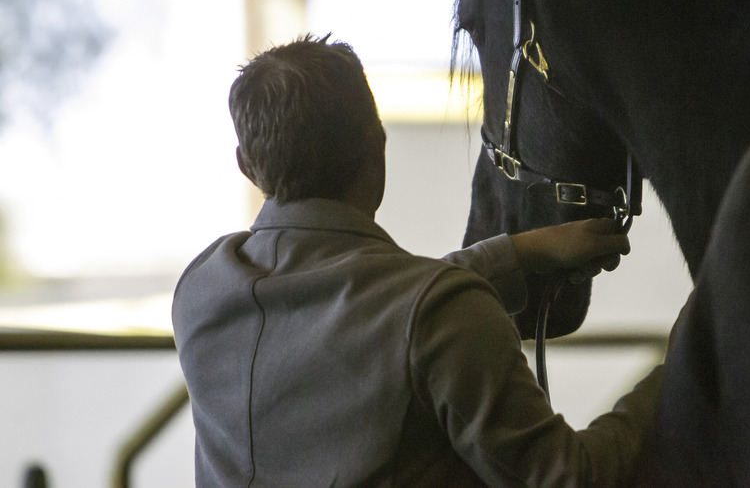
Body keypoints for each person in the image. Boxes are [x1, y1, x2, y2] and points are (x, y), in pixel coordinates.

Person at [172, 35, 665, 486]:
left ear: (246, 165)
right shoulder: (442, 312)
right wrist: (681, 363)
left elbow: (373, 317)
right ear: (378, 145)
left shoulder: (201, 290)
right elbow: (570, 479)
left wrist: (519, 253)